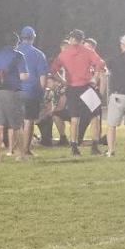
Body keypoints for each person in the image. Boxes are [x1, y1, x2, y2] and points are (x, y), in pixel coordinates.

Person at [53, 29, 104, 157]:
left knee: (74, 118)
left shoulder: (64, 54)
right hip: (86, 87)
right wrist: (95, 78)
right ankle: (94, 147)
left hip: (72, 88)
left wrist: (63, 81)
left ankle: (74, 147)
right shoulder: (87, 51)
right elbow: (100, 63)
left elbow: (53, 70)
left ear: (71, 39)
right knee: (95, 116)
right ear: (82, 40)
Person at [0, 32, 29, 164]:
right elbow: (24, 76)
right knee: (17, 126)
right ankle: (21, 154)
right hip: (12, 91)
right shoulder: (18, 55)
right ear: (17, 43)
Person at [17, 27, 49, 156]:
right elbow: (43, 77)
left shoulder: (14, 52)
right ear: (33, 37)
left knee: (17, 122)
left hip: (14, 90)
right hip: (31, 91)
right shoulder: (38, 54)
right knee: (29, 120)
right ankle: (25, 150)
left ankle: (15, 149)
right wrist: (42, 93)